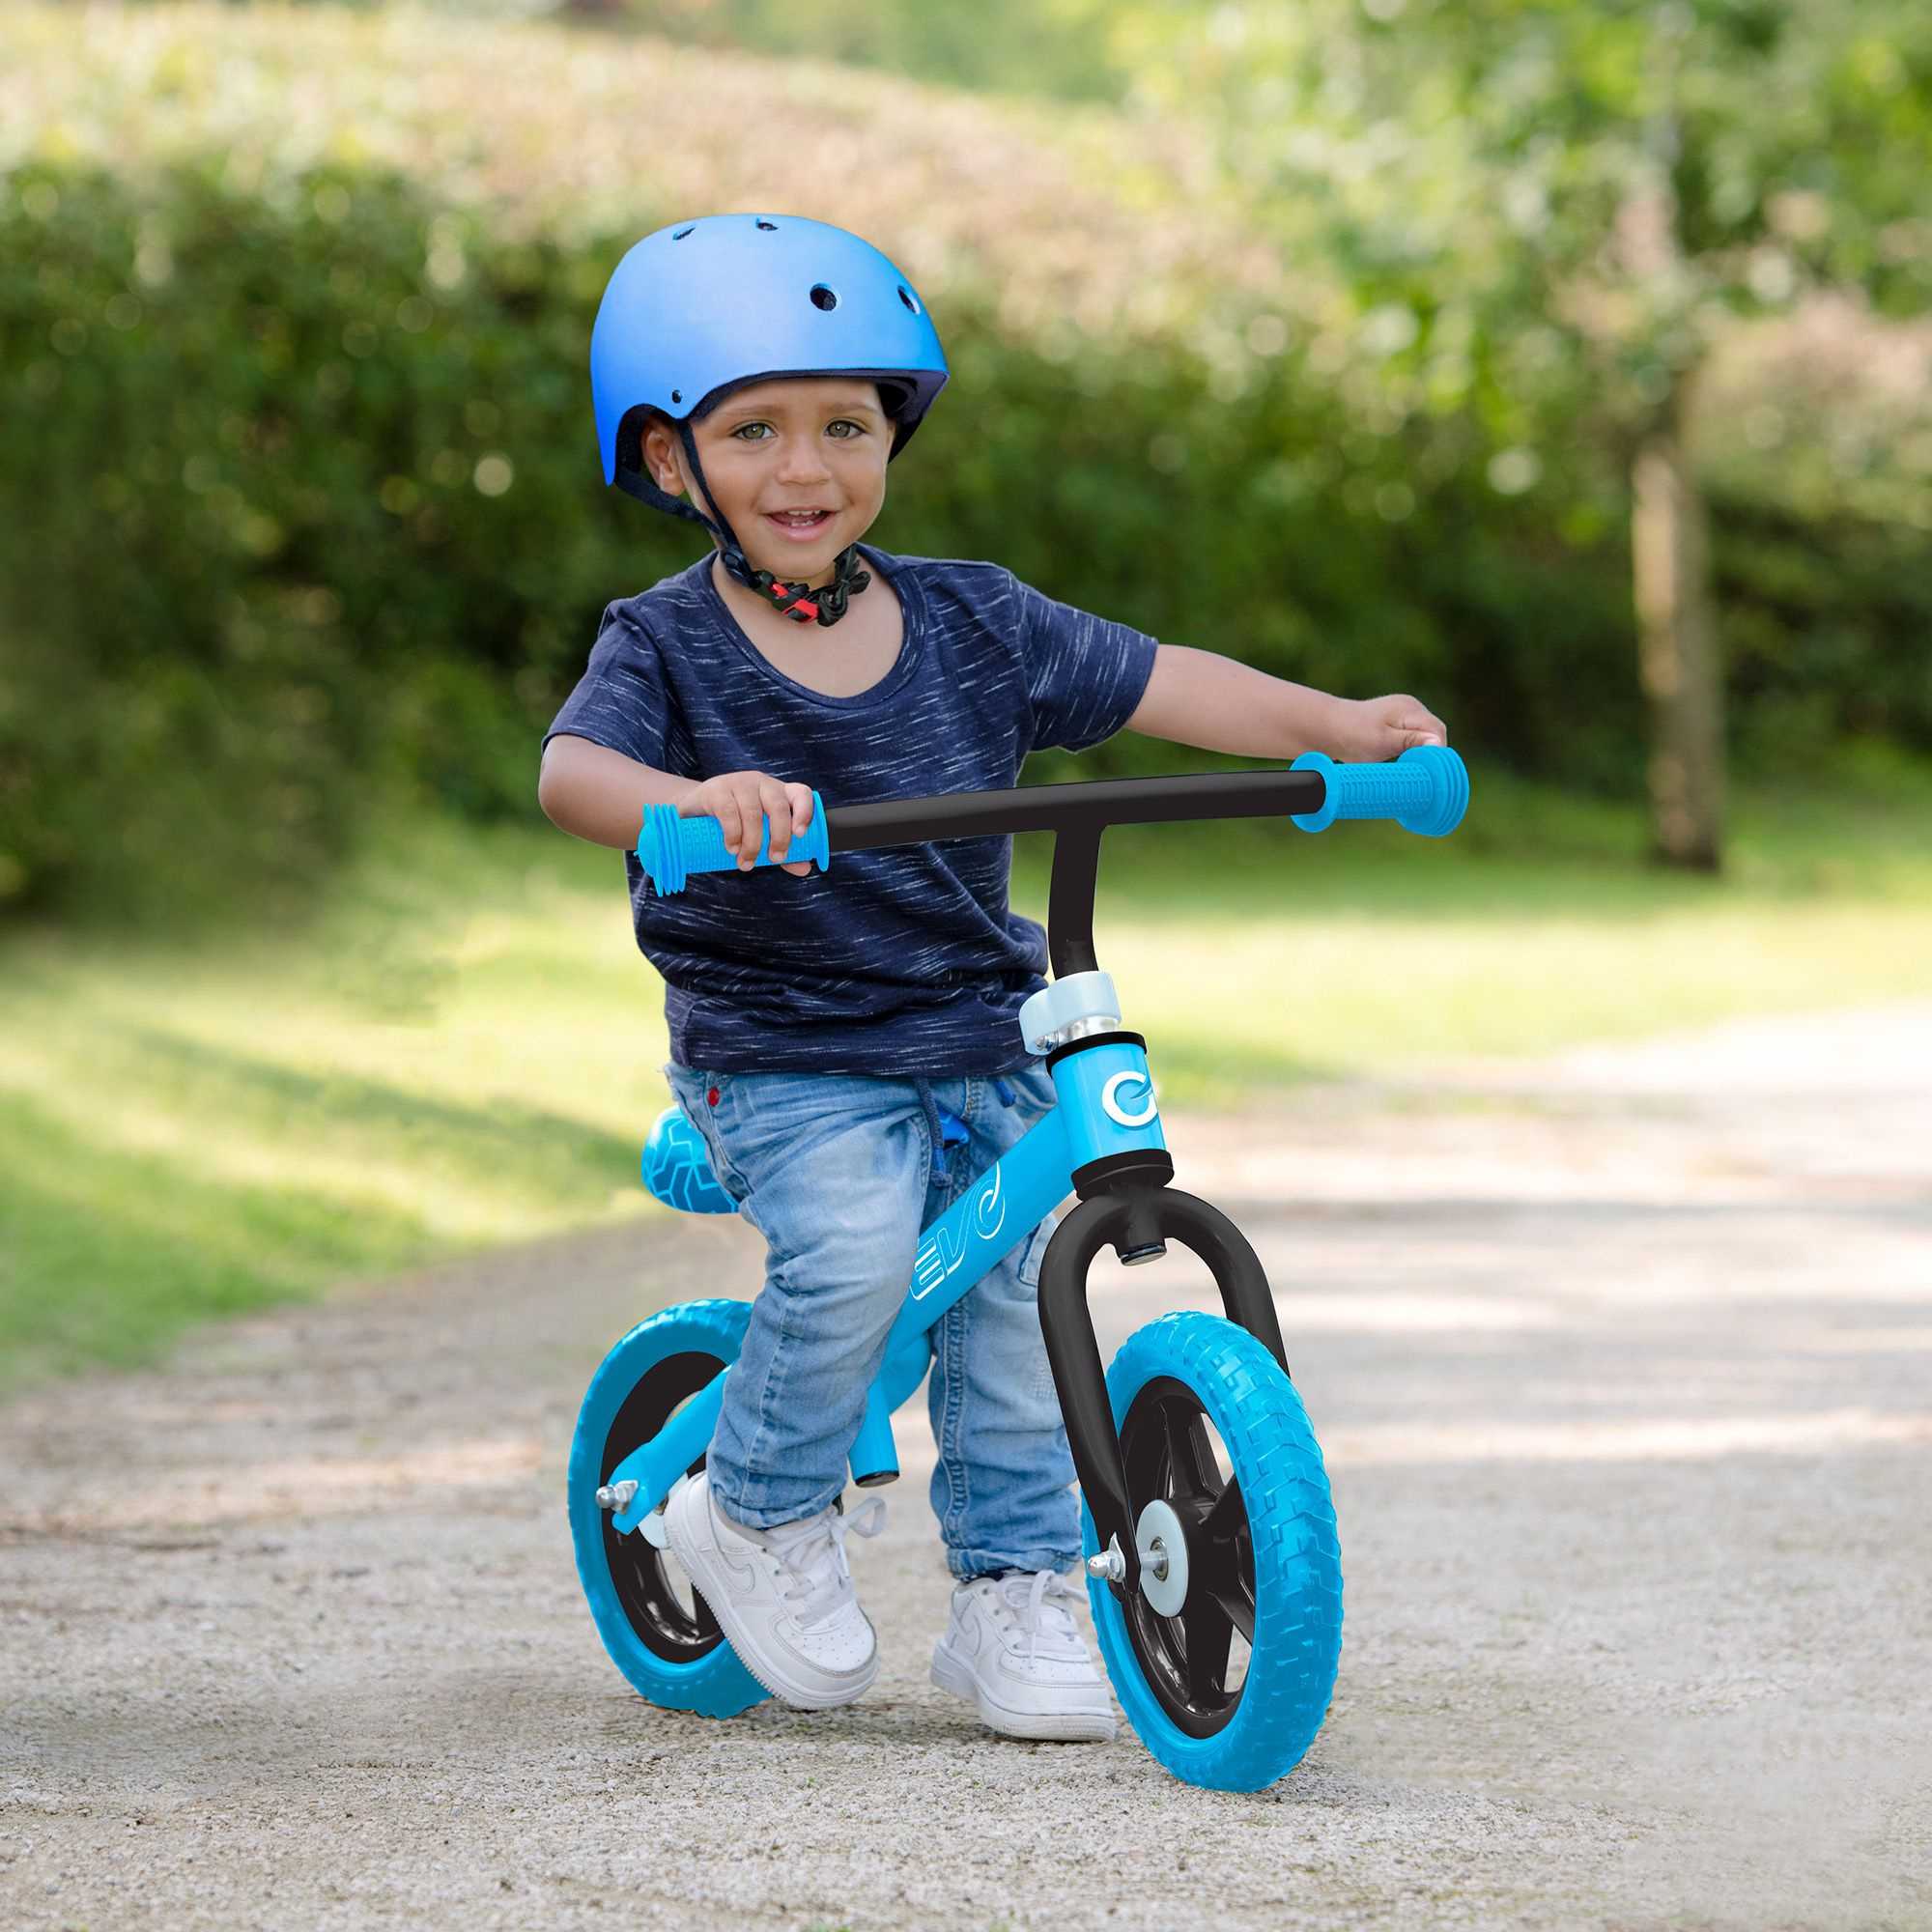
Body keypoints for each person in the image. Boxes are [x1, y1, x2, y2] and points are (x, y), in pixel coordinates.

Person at [539, 213, 1447, 1741]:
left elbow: (1166, 679)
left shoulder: (975, 618)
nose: (807, 466)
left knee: (1031, 1297)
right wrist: (684, 806)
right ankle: (751, 1511)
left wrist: (1334, 727)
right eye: (753, 430)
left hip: (977, 1024)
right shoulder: (670, 644)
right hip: (786, 1050)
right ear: (670, 461)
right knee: (854, 1252)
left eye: (846, 423)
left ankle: (1019, 1591)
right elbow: (576, 774)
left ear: (897, 430)